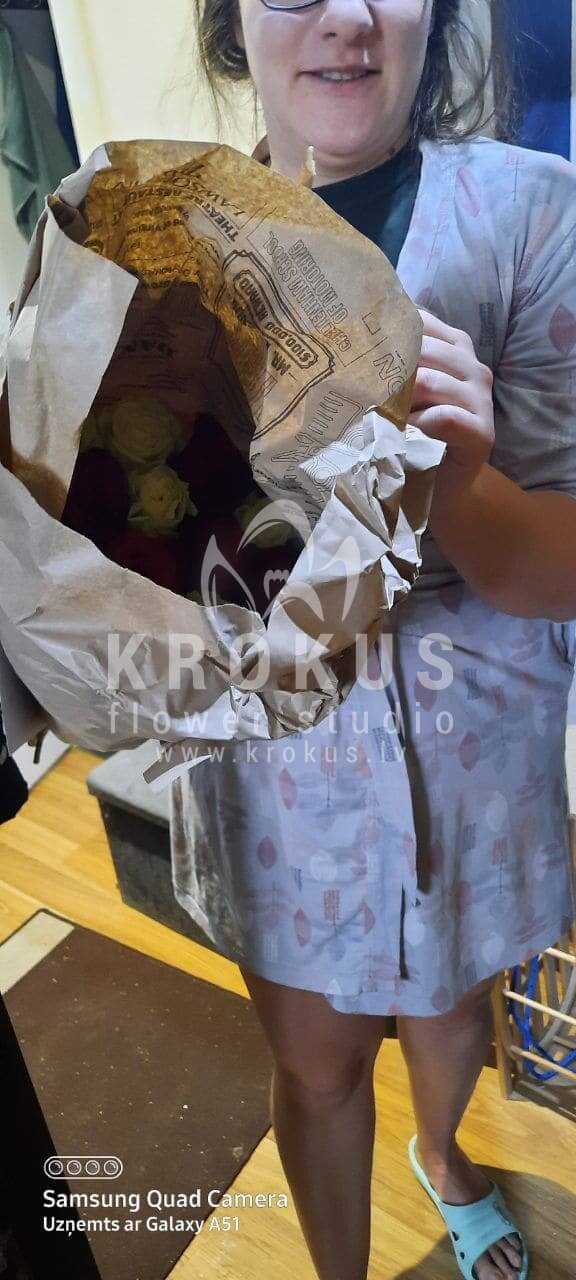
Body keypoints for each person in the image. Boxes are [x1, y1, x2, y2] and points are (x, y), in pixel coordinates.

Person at [169, 2, 576, 1277]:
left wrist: (456, 481)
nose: (345, 17)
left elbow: (563, 565)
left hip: (470, 748)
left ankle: (441, 1153)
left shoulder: (532, 217)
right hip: (281, 773)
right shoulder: (160, 246)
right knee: (319, 1059)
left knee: (449, 1010)